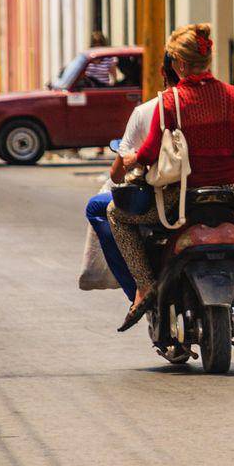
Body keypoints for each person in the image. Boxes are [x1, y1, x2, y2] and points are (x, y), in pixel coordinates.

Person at [109, 23, 234, 332]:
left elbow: (149, 154)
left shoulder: (169, 102)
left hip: (182, 196)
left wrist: (128, 159)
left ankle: (146, 285)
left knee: (115, 214)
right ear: (209, 58)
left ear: (179, 63)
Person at [83, 54, 181, 302]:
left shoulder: (158, 108)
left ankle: (139, 289)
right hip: (216, 193)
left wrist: (131, 159)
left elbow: (121, 171)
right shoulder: (225, 99)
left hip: (163, 200)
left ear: (163, 71)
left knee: (101, 209)